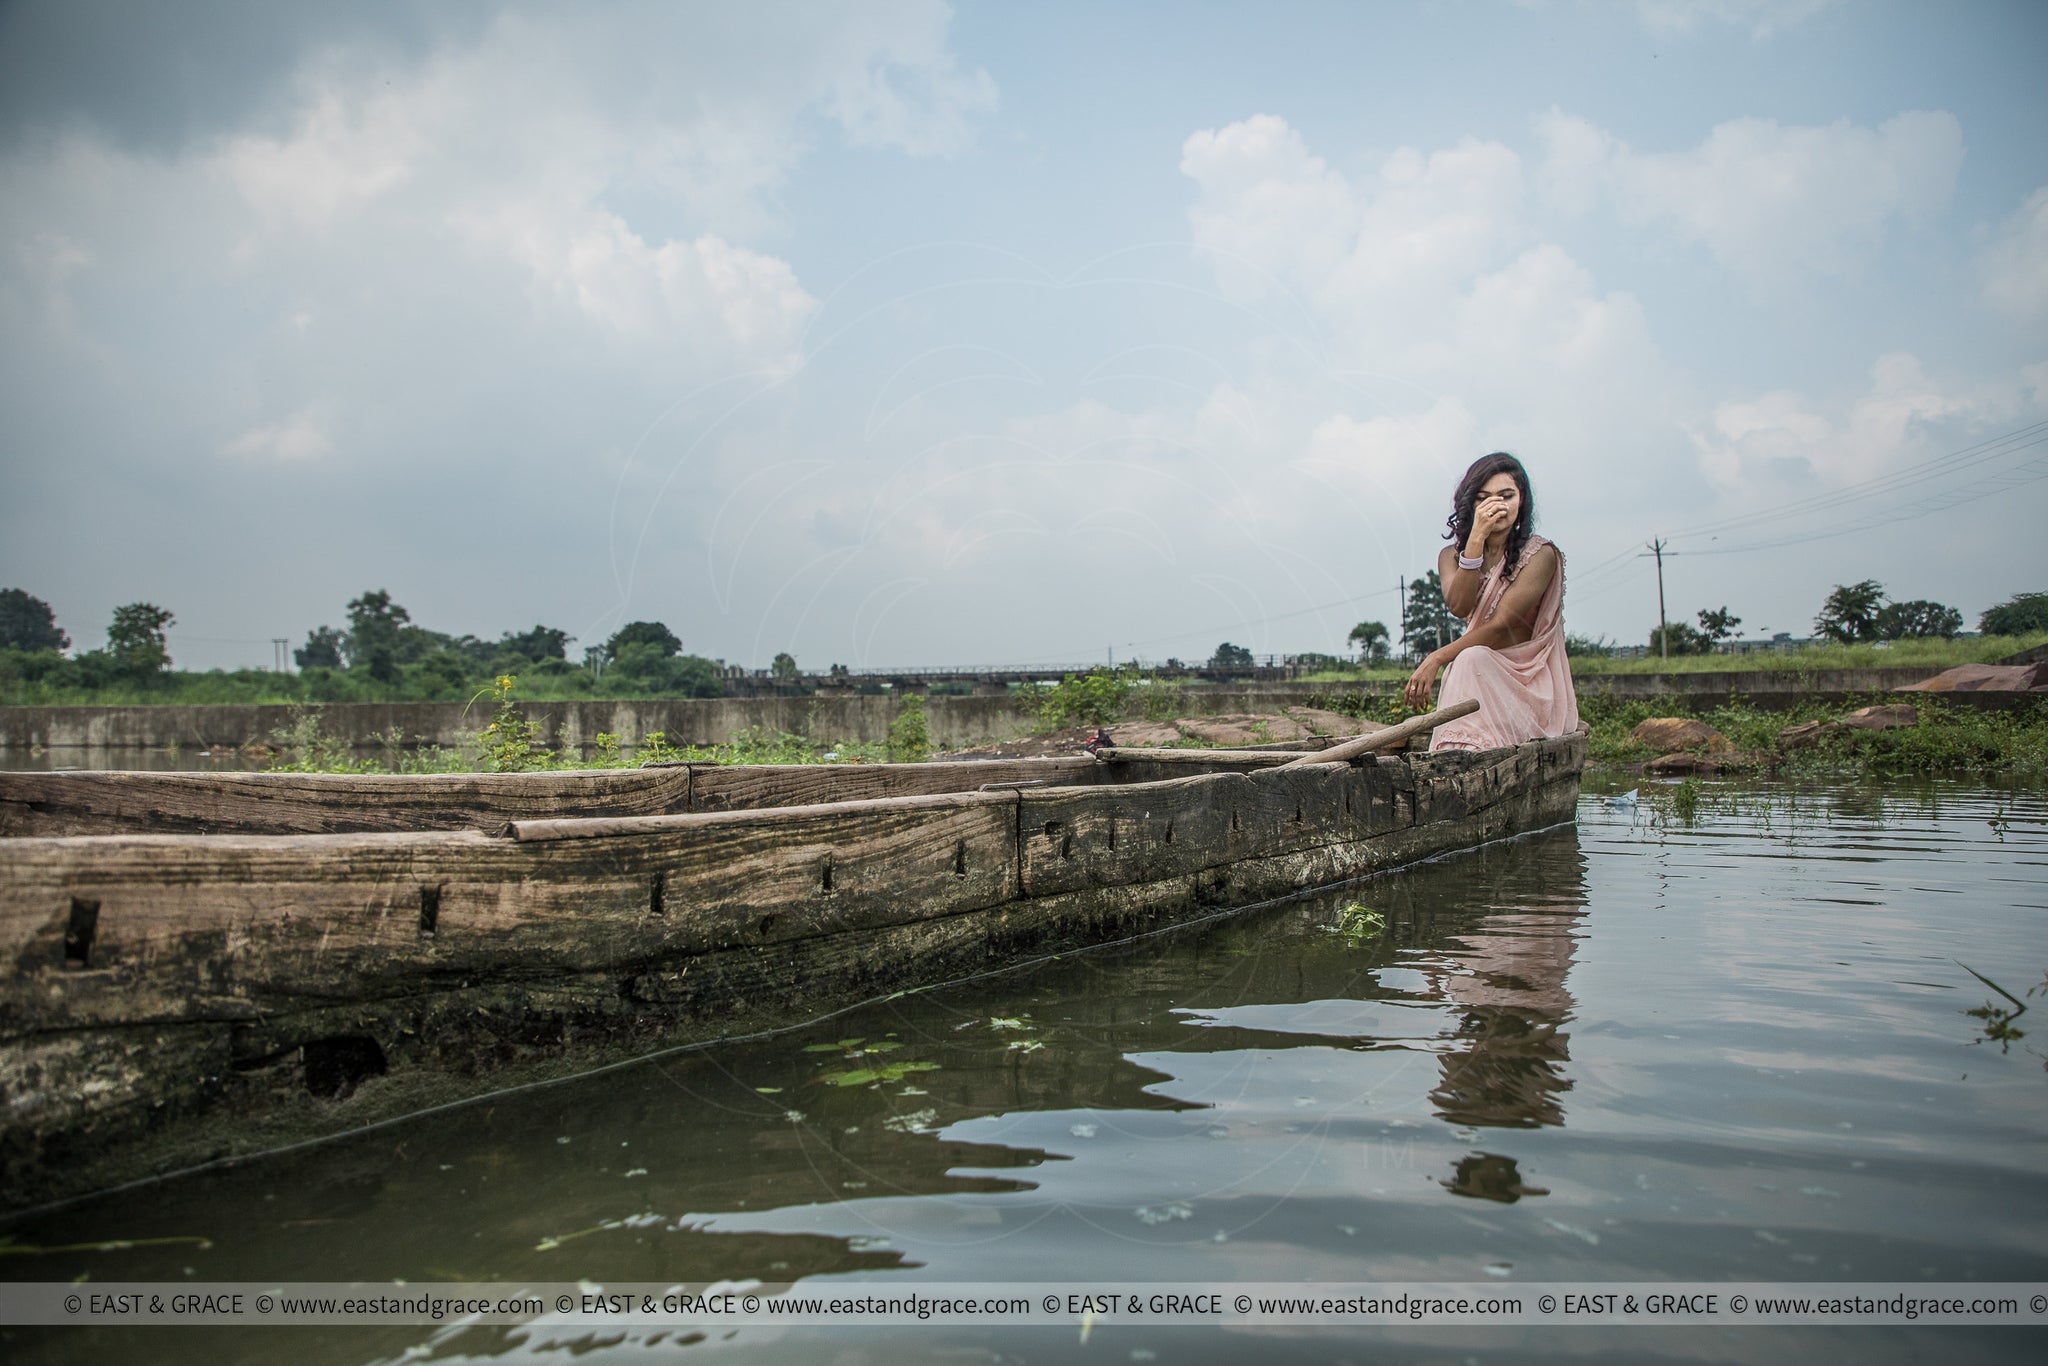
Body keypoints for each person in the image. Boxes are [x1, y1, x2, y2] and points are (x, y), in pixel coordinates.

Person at [1403, 453, 1580, 751]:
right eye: (1484, 498)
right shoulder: (1451, 556)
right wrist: (1475, 540)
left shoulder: (1540, 556)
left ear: (1521, 501)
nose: (1496, 505)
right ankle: (1457, 753)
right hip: (1478, 674)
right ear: (1471, 504)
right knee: (1471, 659)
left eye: (1506, 495)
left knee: (1471, 658)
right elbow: (1459, 606)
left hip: (1525, 680)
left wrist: (1436, 658)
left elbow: (1499, 626)